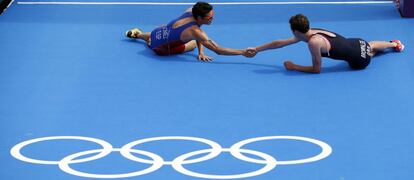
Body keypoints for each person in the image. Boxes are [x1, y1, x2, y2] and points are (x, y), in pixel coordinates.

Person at [249, 14, 404, 73]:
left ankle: (376, 51)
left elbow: (317, 69)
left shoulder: (313, 43)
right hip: (359, 41)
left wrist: (294, 66)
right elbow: (280, 43)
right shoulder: (311, 31)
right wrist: (257, 49)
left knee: (368, 54)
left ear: (296, 32)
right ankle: (393, 44)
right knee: (369, 45)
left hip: (359, 61)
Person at [125, 1, 256, 61]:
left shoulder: (190, 10)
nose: (212, 18)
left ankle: (138, 34)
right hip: (161, 50)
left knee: (162, 32)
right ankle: (148, 42)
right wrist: (242, 52)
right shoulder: (196, 32)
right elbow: (218, 50)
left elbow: (197, 28)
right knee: (193, 43)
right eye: (209, 17)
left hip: (157, 33)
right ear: (199, 17)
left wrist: (201, 50)